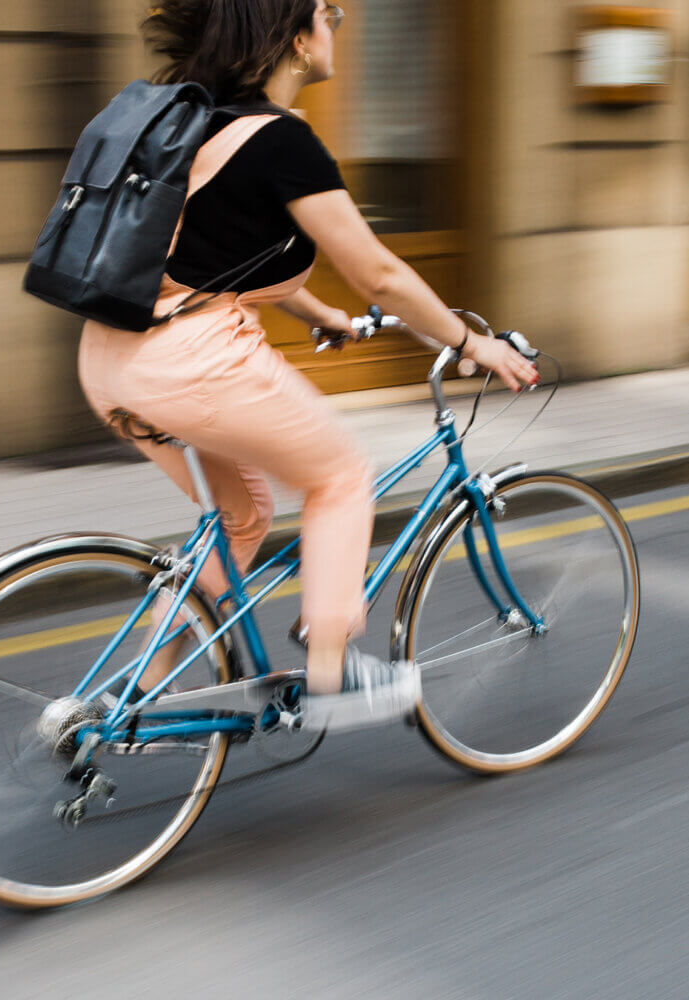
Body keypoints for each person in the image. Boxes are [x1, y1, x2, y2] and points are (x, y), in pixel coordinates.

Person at [77, 0, 539, 730]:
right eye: (328, 11)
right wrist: (468, 342)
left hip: (110, 359)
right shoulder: (283, 142)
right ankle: (327, 673)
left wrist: (317, 315)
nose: (341, 18)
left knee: (242, 514)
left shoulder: (196, 123)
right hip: (190, 362)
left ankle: (126, 697)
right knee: (339, 476)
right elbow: (378, 273)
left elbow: (202, 251)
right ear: (294, 38)